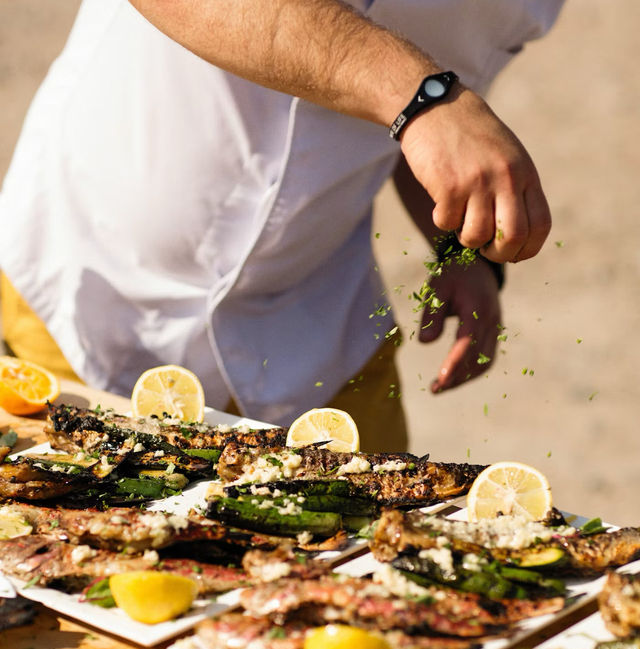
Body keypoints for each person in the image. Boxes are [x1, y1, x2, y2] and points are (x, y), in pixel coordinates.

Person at [0, 0, 564, 450]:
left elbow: (439, 120)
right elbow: (429, 104)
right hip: (85, 293)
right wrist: (421, 98)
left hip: (313, 321)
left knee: (384, 549)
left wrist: (459, 247)